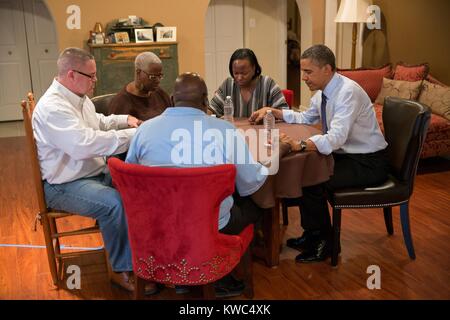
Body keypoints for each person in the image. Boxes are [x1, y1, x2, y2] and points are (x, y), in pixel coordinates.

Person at [126, 72, 291, 296]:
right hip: (209, 225)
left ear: (173, 100)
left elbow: (131, 178)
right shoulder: (225, 131)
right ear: (205, 102)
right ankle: (219, 274)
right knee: (255, 202)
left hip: (157, 222)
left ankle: (183, 272)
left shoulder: (144, 130)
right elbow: (252, 182)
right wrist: (280, 150)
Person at [32, 47, 157, 294]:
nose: (95, 80)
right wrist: (135, 134)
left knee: (138, 183)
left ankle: (144, 252)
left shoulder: (75, 96)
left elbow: (98, 121)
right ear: (71, 74)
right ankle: (120, 269)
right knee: (114, 204)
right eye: (91, 76)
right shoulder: (53, 108)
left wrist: (125, 120)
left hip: (88, 173)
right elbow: (84, 144)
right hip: (63, 185)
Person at [249, 44, 389, 263]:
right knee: (307, 171)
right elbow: (307, 117)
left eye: (308, 72)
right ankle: (313, 234)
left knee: (313, 179)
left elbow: (335, 138)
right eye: (303, 71)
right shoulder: (324, 91)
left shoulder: (347, 93)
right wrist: (275, 112)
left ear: (327, 69)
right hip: (348, 155)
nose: (303, 77)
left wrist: (300, 145)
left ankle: (327, 244)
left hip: (368, 162)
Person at [209, 48, 289, 118]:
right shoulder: (228, 84)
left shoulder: (267, 84)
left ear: (254, 68)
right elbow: (212, 110)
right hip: (234, 132)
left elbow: (285, 113)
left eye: (244, 73)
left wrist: (269, 112)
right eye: (236, 73)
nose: (239, 78)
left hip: (261, 133)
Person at [108, 51, 171, 121]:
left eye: (160, 76)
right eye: (152, 77)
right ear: (138, 72)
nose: (158, 81)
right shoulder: (121, 103)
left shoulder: (160, 94)